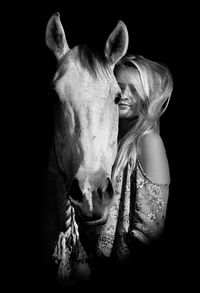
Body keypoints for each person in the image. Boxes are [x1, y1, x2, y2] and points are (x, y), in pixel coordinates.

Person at [94, 54, 173, 263]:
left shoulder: (149, 142)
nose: (124, 95)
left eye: (134, 89)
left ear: (147, 96)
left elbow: (149, 231)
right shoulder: (106, 142)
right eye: (120, 87)